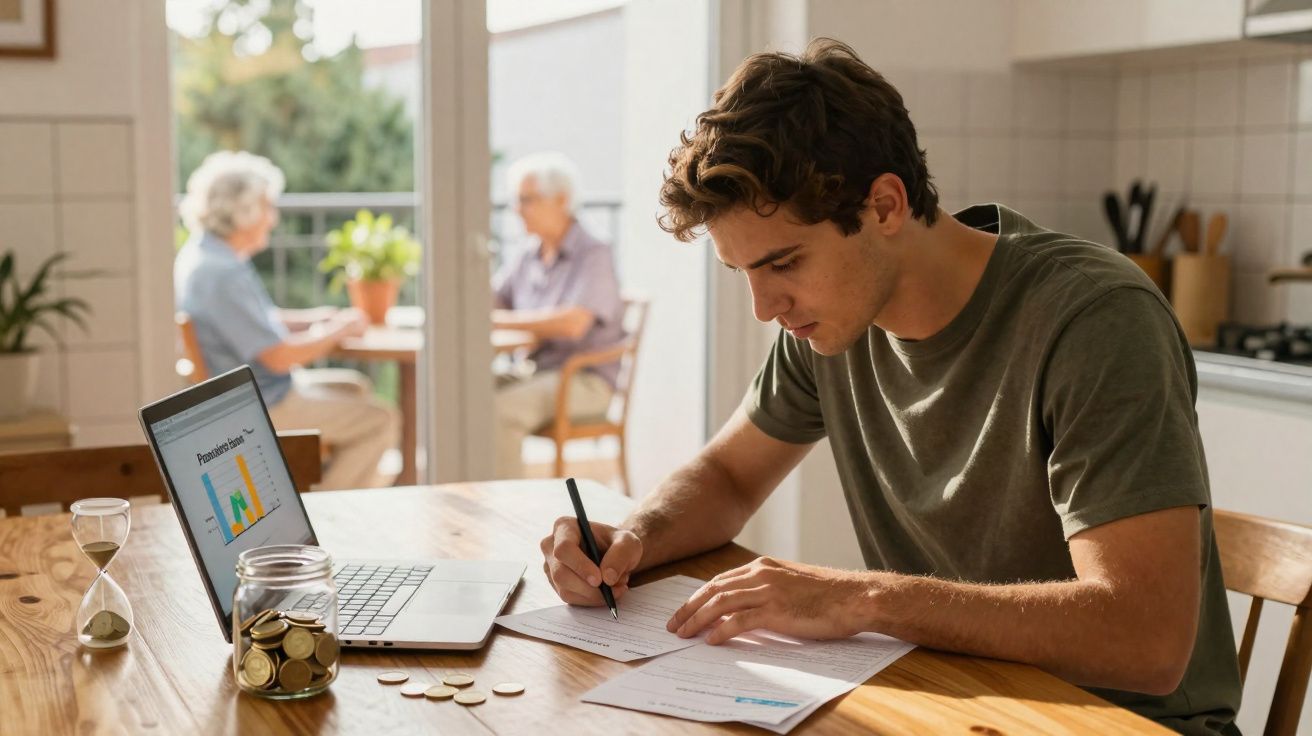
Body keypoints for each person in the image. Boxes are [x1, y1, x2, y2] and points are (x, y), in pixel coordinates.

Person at [538, 40, 1241, 734]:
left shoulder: (1093, 318)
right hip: (948, 699)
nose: (765, 308)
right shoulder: (827, 324)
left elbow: (1146, 640)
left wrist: (862, 598)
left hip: (1111, 722)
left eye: (783, 262)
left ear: (883, 205)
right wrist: (633, 538)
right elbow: (727, 475)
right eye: (745, 273)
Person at [175, 150, 399, 491]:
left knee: (355, 387)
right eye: (268, 207)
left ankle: (327, 489)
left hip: (251, 393)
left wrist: (315, 319)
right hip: (260, 405)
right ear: (243, 211)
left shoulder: (206, 255)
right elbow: (279, 357)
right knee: (381, 421)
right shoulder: (223, 272)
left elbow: (258, 320)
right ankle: (331, 513)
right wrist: (336, 329)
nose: (273, 218)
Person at [491, 152, 625, 479]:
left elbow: (572, 323)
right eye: (515, 200)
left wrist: (502, 322)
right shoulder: (528, 253)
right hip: (535, 370)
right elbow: (493, 301)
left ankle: (500, 509)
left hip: (583, 380)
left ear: (562, 200)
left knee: (498, 412)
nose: (517, 209)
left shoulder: (593, 252)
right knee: (463, 392)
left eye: (527, 200)